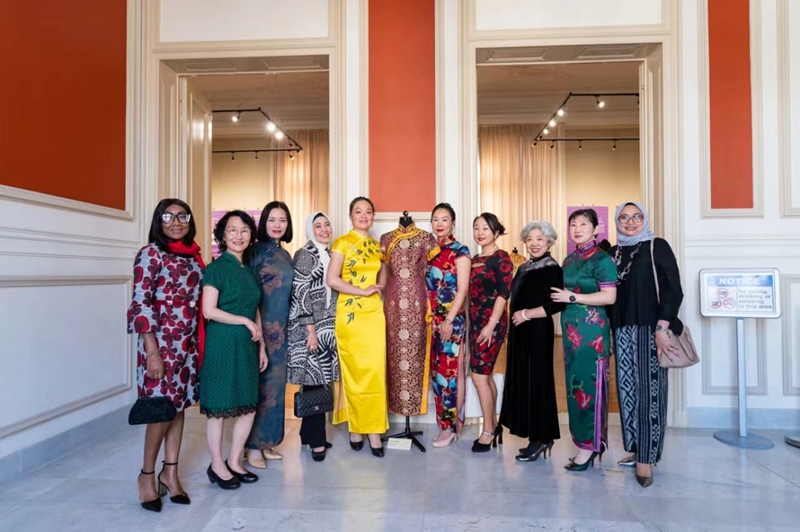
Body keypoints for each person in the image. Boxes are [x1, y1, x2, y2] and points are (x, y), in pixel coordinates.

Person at [128, 199, 204, 512]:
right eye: (168, 216)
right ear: (158, 221)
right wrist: (151, 351)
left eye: (182, 216)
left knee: (179, 407)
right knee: (160, 410)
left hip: (186, 346)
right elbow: (141, 304)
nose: (176, 222)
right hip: (159, 345)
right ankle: (147, 476)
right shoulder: (150, 254)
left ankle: (170, 474)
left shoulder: (195, 258)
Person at [609, 202, 684, 488]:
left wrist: (663, 326)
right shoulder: (614, 253)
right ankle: (635, 448)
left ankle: (646, 459)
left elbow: (674, 289)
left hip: (652, 328)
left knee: (650, 392)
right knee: (627, 391)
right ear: (617, 221)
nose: (630, 222)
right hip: (622, 328)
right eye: (624, 217)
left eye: (636, 216)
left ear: (644, 219)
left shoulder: (656, 246)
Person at [200, 210, 267, 490]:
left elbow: (256, 310)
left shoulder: (248, 271)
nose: (239, 236)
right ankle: (217, 465)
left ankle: (235, 460)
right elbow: (208, 310)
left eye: (244, 230)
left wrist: (262, 345)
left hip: (248, 346)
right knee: (219, 409)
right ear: (223, 235)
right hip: (222, 344)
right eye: (232, 230)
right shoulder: (215, 268)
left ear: (251, 235)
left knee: (248, 406)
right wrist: (242, 320)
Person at [551, 208, 617, 471]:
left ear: (595, 229)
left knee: (589, 388)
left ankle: (590, 446)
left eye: (583, 224)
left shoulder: (602, 259)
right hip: (571, 334)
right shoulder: (569, 259)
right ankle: (584, 442)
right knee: (574, 388)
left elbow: (609, 297)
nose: (577, 229)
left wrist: (573, 298)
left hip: (592, 335)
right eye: (573, 225)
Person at [326, 196, 389, 457]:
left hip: (374, 314)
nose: (364, 216)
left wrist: (378, 289)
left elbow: (383, 272)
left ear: (373, 216)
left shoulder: (377, 246)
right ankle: (356, 427)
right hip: (350, 312)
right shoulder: (342, 242)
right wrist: (361, 292)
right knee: (353, 371)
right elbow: (332, 279)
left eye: (368, 212)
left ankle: (373, 430)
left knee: (375, 371)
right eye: (358, 211)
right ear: (351, 215)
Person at [499, 221, 565, 462]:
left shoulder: (552, 268)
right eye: (530, 239)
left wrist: (527, 314)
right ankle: (534, 436)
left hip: (537, 330)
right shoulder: (525, 267)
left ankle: (542, 437)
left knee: (538, 381)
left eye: (540, 239)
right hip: (520, 332)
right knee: (525, 381)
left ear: (549, 242)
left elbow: (559, 302)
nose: (534, 243)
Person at [287, 212, 340, 462]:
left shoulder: (330, 254)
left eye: (326, 224)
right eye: (317, 226)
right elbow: (301, 293)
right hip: (310, 328)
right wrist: (311, 331)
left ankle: (308, 433)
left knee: (317, 381)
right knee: (316, 380)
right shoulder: (305, 254)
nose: (324, 229)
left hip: (327, 327)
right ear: (310, 230)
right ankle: (317, 441)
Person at [246, 201, 295, 468]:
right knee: (260, 388)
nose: (277, 225)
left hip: (283, 330)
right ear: (263, 222)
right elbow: (249, 293)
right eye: (272, 220)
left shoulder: (285, 254)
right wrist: (257, 332)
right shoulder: (255, 252)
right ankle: (252, 447)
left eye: (283, 220)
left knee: (276, 387)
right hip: (261, 329)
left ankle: (267, 443)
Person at [426, 203, 471, 448]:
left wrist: (449, 320)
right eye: (435, 219)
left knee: (451, 374)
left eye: (445, 219)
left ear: (453, 223)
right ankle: (447, 424)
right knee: (437, 375)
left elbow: (462, 289)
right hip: (430, 322)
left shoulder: (460, 250)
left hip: (450, 322)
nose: (440, 223)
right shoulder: (429, 251)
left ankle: (451, 427)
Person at [469, 212, 514, 453]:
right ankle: (494, 425)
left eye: (485, 228)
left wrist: (490, 325)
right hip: (475, 322)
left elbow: (503, 294)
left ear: (496, 232)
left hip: (492, 324)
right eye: (476, 228)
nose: (480, 232)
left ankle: (487, 430)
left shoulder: (501, 257)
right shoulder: (475, 257)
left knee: (478, 375)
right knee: (484, 375)